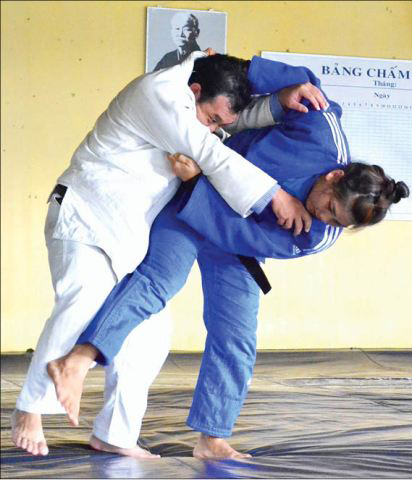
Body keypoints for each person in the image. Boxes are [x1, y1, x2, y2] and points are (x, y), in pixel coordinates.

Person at [47, 56, 410, 460]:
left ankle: (213, 438)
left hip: (226, 226)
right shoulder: (321, 132)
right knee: (158, 281)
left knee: (236, 335)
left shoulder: (319, 234)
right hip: (191, 206)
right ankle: (79, 359)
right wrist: (280, 89)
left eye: (337, 221)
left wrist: (197, 184)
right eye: (329, 207)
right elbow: (297, 82)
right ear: (335, 175)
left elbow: (241, 234)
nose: (325, 218)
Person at [11, 49, 329, 458]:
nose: (215, 129)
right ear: (194, 91)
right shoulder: (158, 93)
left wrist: (278, 102)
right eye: (212, 119)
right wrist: (275, 196)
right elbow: (210, 151)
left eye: (219, 123)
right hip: (84, 213)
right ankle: (30, 410)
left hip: (125, 230)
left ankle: (114, 434)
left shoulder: (199, 105)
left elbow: (229, 119)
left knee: (151, 334)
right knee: (83, 301)